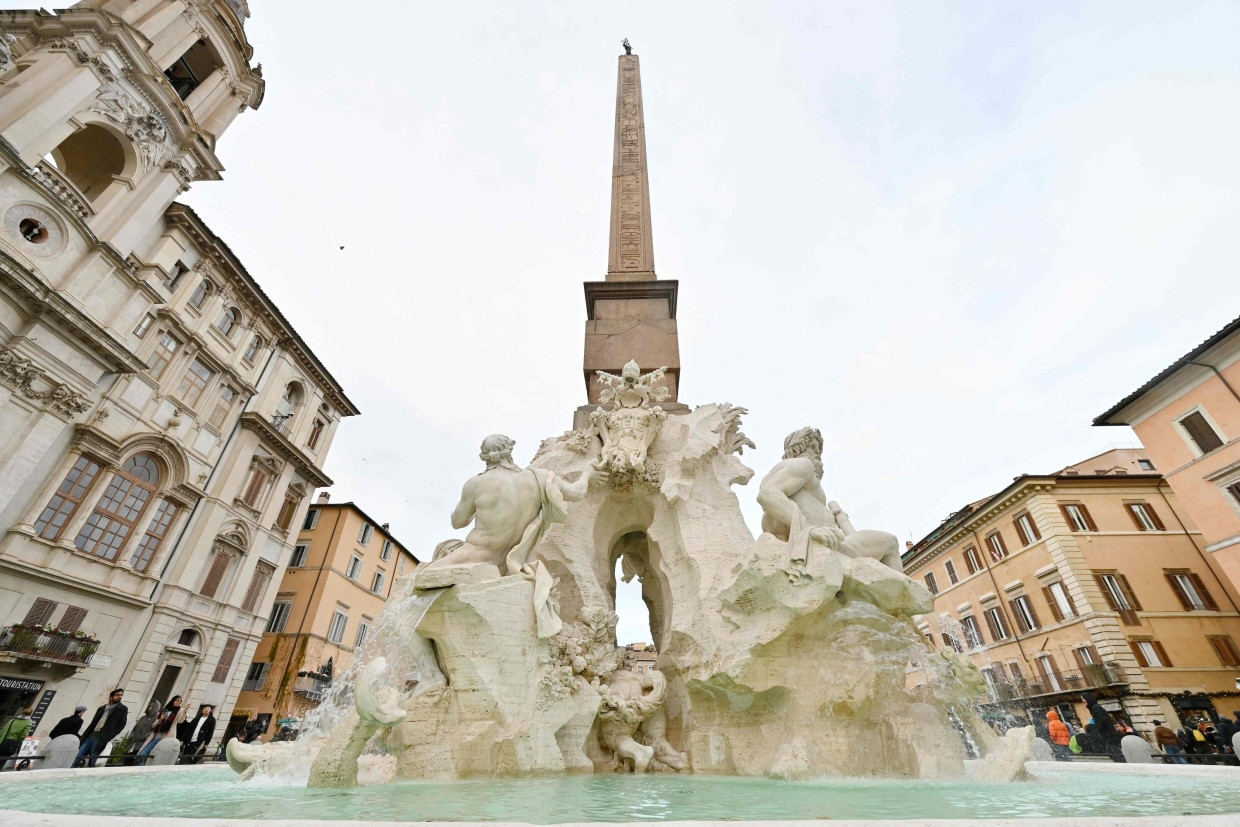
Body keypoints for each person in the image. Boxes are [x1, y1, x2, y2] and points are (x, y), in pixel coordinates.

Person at [756, 427, 903, 578]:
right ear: (798, 448)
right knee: (890, 542)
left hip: (836, 541)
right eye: (812, 447)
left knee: (887, 545)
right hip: (825, 541)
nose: (817, 453)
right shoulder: (802, 465)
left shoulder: (800, 479)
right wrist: (809, 530)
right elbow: (767, 494)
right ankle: (905, 598)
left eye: (818, 449)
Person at [73, 688, 128, 768]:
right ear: (111, 697)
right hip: (90, 737)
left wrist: (109, 736)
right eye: (117, 695)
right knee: (77, 757)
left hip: (101, 739)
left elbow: (122, 724)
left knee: (92, 762)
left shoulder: (122, 709)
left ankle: (90, 778)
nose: (119, 697)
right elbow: (93, 723)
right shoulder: (101, 708)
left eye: (121, 695)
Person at [1081, 693, 1125, 763]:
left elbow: (1103, 720)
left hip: (1109, 733)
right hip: (1107, 733)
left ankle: (1123, 764)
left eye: (1083, 698)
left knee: (1115, 752)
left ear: (1087, 699)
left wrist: (1098, 728)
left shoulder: (1095, 707)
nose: (1083, 700)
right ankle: (1121, 763)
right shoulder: (1094, 707)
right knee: (1111, 753)